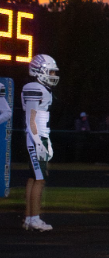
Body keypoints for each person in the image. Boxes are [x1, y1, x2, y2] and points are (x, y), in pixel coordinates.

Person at [22, 54, 59, 231]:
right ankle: (35, 219)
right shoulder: (34, 88)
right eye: (50, 71)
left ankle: (29, 219)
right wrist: (38, 142)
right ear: (40, 71)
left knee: (33, 179)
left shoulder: (41, 88)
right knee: (39, 179)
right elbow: (31, 120)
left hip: (39, 136)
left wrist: (46, 141)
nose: (53, 75)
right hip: (35, 137)